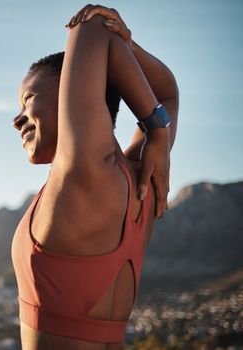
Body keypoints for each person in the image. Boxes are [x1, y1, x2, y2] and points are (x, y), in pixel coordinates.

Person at [10, 4, 179, 349]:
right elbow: (167, 95)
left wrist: (158, 133)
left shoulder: (82, 171)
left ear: (73, 88)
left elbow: (93, 25)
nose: (17, 118)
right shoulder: (141, 179)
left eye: (28, 99)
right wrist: (128, 47)